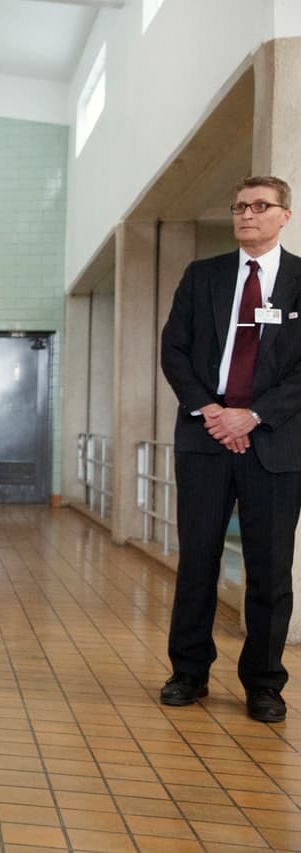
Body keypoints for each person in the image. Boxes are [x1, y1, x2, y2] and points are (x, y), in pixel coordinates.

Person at [159, 175, 301, 723]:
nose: (247, 215)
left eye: (260, 206)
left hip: (275, 442)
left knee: (271, 567)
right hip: (205, 436)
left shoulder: (299, 280)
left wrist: (255, 413)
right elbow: (175, 350)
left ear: (283, 215)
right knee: (197, 560)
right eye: (240, 206)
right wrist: (212, 410)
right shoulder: (204, 276)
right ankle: (188, 673)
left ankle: (264, 683)